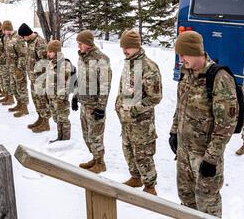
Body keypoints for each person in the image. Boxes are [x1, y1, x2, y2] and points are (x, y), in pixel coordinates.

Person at [168, 31, 238, 219]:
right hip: (184, 149)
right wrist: (174, 133)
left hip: (205, 153)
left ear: (196, 51)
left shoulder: (218, 77)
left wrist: (212, 157)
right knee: (186, 191)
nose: (181, 59)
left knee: (208, 196)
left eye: (184, 54)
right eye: (179, 55)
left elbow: (227, 123)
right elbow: (179, 107)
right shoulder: (185, 73)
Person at [115, 30, 162, 195]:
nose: (124, 50)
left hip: (141, 123)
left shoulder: (149, 67)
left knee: (143, 155)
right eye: (123, 47)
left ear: (136, 46)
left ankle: (150, 187)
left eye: (127, 47)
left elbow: (155, 98)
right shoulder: (129, 63)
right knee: (128, 150)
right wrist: (119, 106)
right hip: (126, 121)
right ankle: (135, 177)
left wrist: (134, 110)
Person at [72, 30, 112, 174]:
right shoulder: (82, 57)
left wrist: (101, 107)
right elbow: (79, 79)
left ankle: (100, 163)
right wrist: (75, 96)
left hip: (95, 105)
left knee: (95, 136)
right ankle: (95, 158)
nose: (78, 46)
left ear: (88, 44)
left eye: (80, 43)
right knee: (86, 135)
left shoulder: (101, 59)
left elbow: (105, 85)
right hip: (84, 103)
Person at [18, 23, 51, 132]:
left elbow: (45, 63)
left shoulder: (40, 43)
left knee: (42, 101)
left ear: (26, 34)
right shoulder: (30, 42)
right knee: (36, 100)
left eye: (23, 37)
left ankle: (45, 123)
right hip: (33, 79)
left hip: (40, 79)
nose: (23, 39)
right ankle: (40, 118)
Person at [45, 40, 72, 142]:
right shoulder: (51, 63)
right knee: (57, 118)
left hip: (60, 99)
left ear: (56, 52)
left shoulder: (64, 64)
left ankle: (65, 140)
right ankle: (59, 137)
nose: (48, 54)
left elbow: (66, 83)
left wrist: (60, 98)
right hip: (52, 97)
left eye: (50, 52)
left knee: (63, 119)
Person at [3, 20, 29, 117]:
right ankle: (19, 104)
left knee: (21, 88)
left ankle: (24, 108)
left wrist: (19, 68)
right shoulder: (8, 38)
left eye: (4, 30)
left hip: (18, 70)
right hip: (11, 69)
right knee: (14, 88)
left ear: (7, 29)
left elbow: (23, 55)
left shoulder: (18, 38)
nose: (3, 32)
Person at [0, 20, 12, 104]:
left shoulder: (5, 36)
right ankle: (6, 95)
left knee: (7, 80)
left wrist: (3, 58)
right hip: (0, 62)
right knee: (3, 80)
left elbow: (6, 50)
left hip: (4, 62)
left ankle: (10, 98)